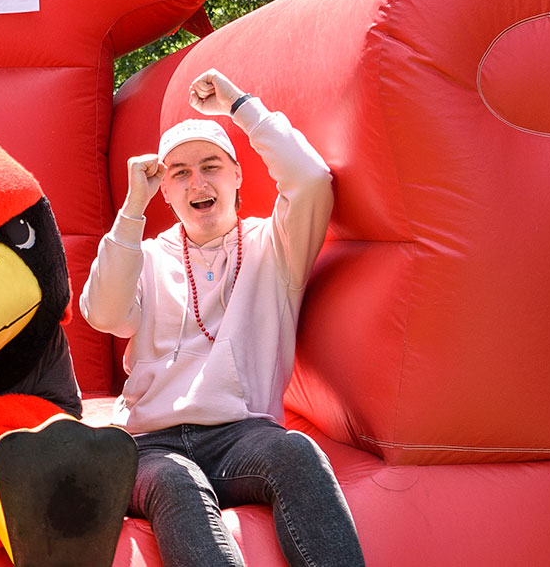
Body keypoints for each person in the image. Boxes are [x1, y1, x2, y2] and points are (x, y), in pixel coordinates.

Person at [79, 69, 365, 567]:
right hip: (150, 443)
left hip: (241, 435)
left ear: (237, 175)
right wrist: (131, 208)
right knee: (176, 481)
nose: (198, 182)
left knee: (297, 454)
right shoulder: (143, 254)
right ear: (164, 192)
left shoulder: (274, 247)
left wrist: (239, 106)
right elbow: (102, 313)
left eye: (211, 166)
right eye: (180, 173)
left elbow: (312, 179)